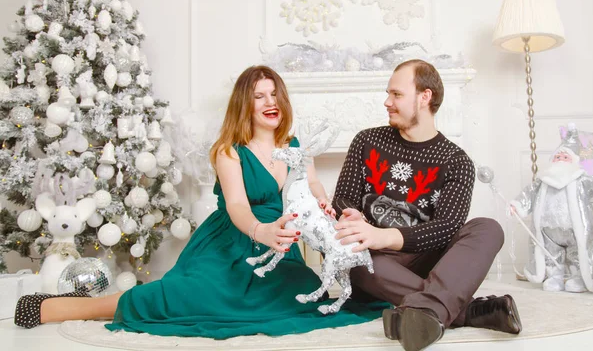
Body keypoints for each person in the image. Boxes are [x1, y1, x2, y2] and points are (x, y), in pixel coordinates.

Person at [14, 65, 385, 337]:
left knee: (301, 302)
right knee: (188, 297)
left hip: (276, 247)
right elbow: (238, 206)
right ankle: (64, 306)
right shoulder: (228, 150)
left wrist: (323, 204)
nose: (269, 102)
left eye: (274, 94)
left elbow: (313, 184)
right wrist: (262, 229)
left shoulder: (294, 145)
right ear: (246, 104)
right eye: (259, 96)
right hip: (232, 240)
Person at [332, 59, 522, 351]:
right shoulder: (366, 141)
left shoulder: (456, 162)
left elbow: (447, 229)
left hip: (428, 261)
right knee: (356, 262)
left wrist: (386, 235)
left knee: (488, 228)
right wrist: (352, 214)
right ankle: (463, 310)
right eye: (388, 94)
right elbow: (342, 198)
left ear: (425, 97)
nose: (387, 102)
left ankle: (425, 309)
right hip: (377, 263)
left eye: (396, 94)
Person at [511, 145, 593, 293]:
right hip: (549, 230)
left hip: (574, 229)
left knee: (577, 252)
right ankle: (554, 277)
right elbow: (529, 193)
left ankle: (577, 277)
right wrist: (517, 205)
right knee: (550, 253)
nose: (561, 159)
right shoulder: (543, 181)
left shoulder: (581, 179)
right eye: (557, 157)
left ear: (573, 162)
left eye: (565, 157)